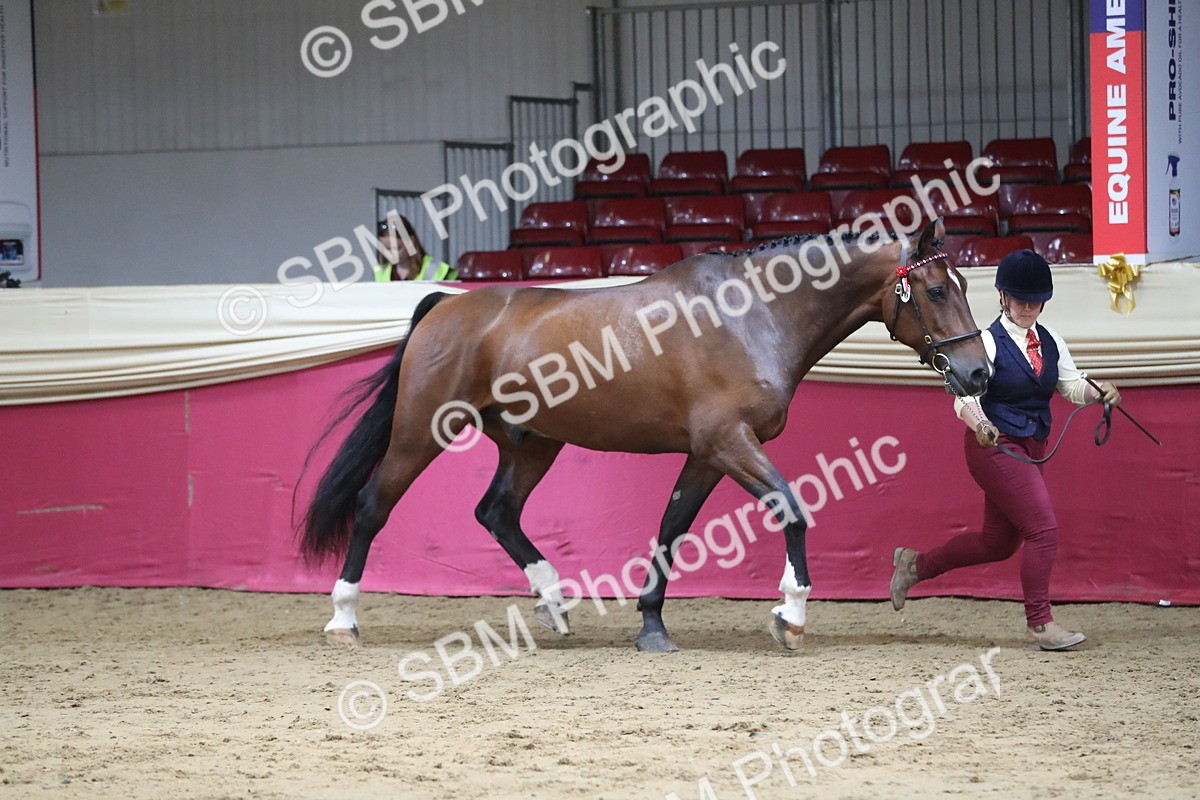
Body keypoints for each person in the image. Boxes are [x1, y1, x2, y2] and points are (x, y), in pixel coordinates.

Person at [890, 249, 1121, 651]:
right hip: (994, 445)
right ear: (1002, 297)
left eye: (1035, 301)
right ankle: (1039, 623)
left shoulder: (1051, 342)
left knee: (997, 543)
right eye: (1020, 300)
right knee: (1043, 530)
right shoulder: (986, 343)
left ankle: (913, 566)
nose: (1029, 307)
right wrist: (980, 423)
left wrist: (1099, 392)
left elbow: (1070, 386)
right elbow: (965, 397)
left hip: (1032, 446)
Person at [373, 215, 456, 281]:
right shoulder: (381, 272)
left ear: (411, 240)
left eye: (396, 248)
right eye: (387, 249)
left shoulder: (436, 269)